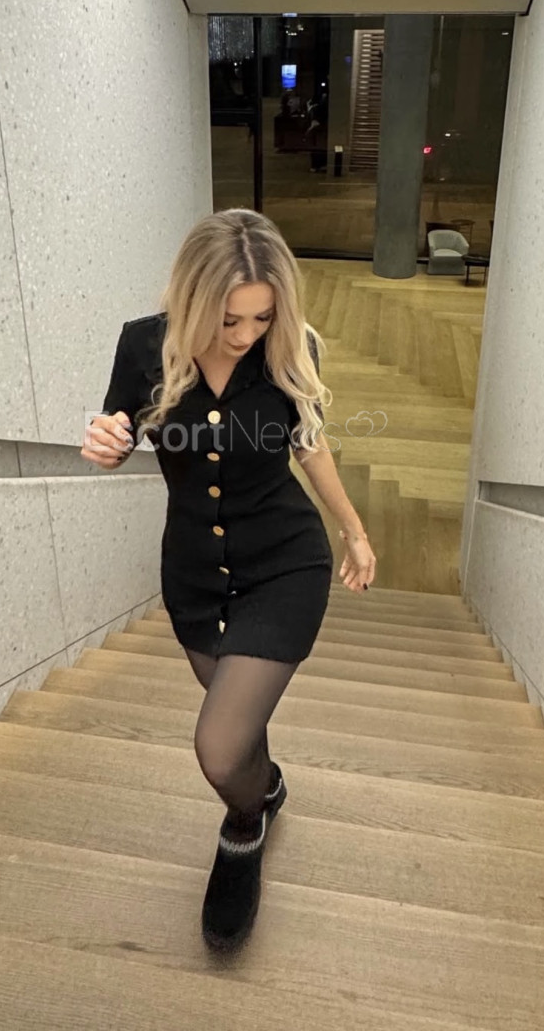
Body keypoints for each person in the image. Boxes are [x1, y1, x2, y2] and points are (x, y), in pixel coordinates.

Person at [81, 209, 376, 953]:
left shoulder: (292, 347)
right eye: (228, 319)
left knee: (218, 746)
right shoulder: (143, 345)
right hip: (194, 573)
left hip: (284, 563)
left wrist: (353, 529)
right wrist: (106, 442)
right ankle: (262, 784)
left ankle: (246, 822)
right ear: (193, 297)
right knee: (240, 726)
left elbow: (309, 445)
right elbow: (119, 429)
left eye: (261, 317)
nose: (246, 335)